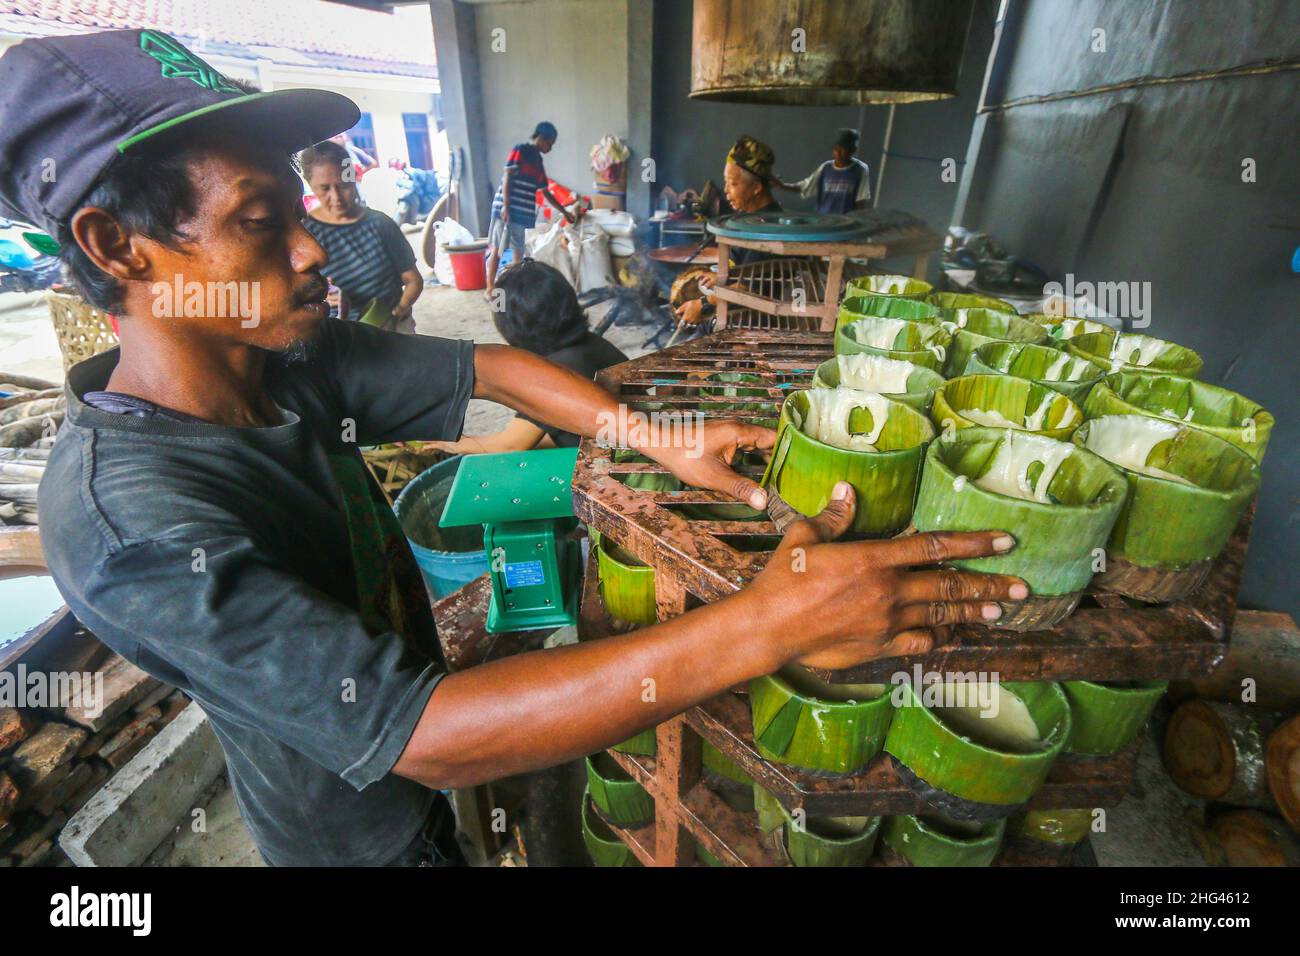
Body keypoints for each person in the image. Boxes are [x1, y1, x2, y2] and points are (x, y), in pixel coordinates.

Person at [2, 30, 1026, 867]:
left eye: (297, 208)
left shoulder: (273, 358)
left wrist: (651, 436)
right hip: (350, 837)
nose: (312, 246)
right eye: (262, 220)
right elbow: (432, 732)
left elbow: (489, 367)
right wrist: (767, 625)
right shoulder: (130, 522)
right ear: (113, 246)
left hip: (418, 767)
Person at [431, 259, 627, 453]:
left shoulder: (555, 372)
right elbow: (556, 430)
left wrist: (448, 444)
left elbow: (511, 444)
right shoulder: (589, 343)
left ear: (509, 327)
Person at [300, 140, 424, 333]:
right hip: (338, 332)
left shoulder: (380, 224)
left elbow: (413, 280)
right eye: (324, 188)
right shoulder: (306, 233)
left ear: (353, 179)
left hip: (390, 326)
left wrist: (398, 311)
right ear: (310, 185)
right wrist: (319, 293)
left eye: (343, 185)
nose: (336, 197)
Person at [674, 135, 783, 327]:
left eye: (732, 183)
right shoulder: (752, 218)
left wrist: (703, 305)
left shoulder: (765, 229)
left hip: (753, 323)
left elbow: (751, 289)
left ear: (756, 187)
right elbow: (750, 271)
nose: (726, 191)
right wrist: (725, 275)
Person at [485, 121, 576, 298]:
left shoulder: (538, 161)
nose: (550, 148)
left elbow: (545, 192)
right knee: (497, 249)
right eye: (550, 144)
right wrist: (506, 204)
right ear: (541, 138)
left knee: (519, 253)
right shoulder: (521, 150)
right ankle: (490, 289)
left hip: (520, 214)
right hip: (507, 209)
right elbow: (507, 177)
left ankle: (518, 291)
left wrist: (564, 212)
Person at [777, 128, 872, 215]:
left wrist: (857, 223)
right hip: (824, 220)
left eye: (843, 149)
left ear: (853, 150)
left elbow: (860, 201)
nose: (838, 153)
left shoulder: (860, 169)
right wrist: (782, 186)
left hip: (845, 222)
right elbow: (803, 187)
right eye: (836, 149)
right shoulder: (826, 168)